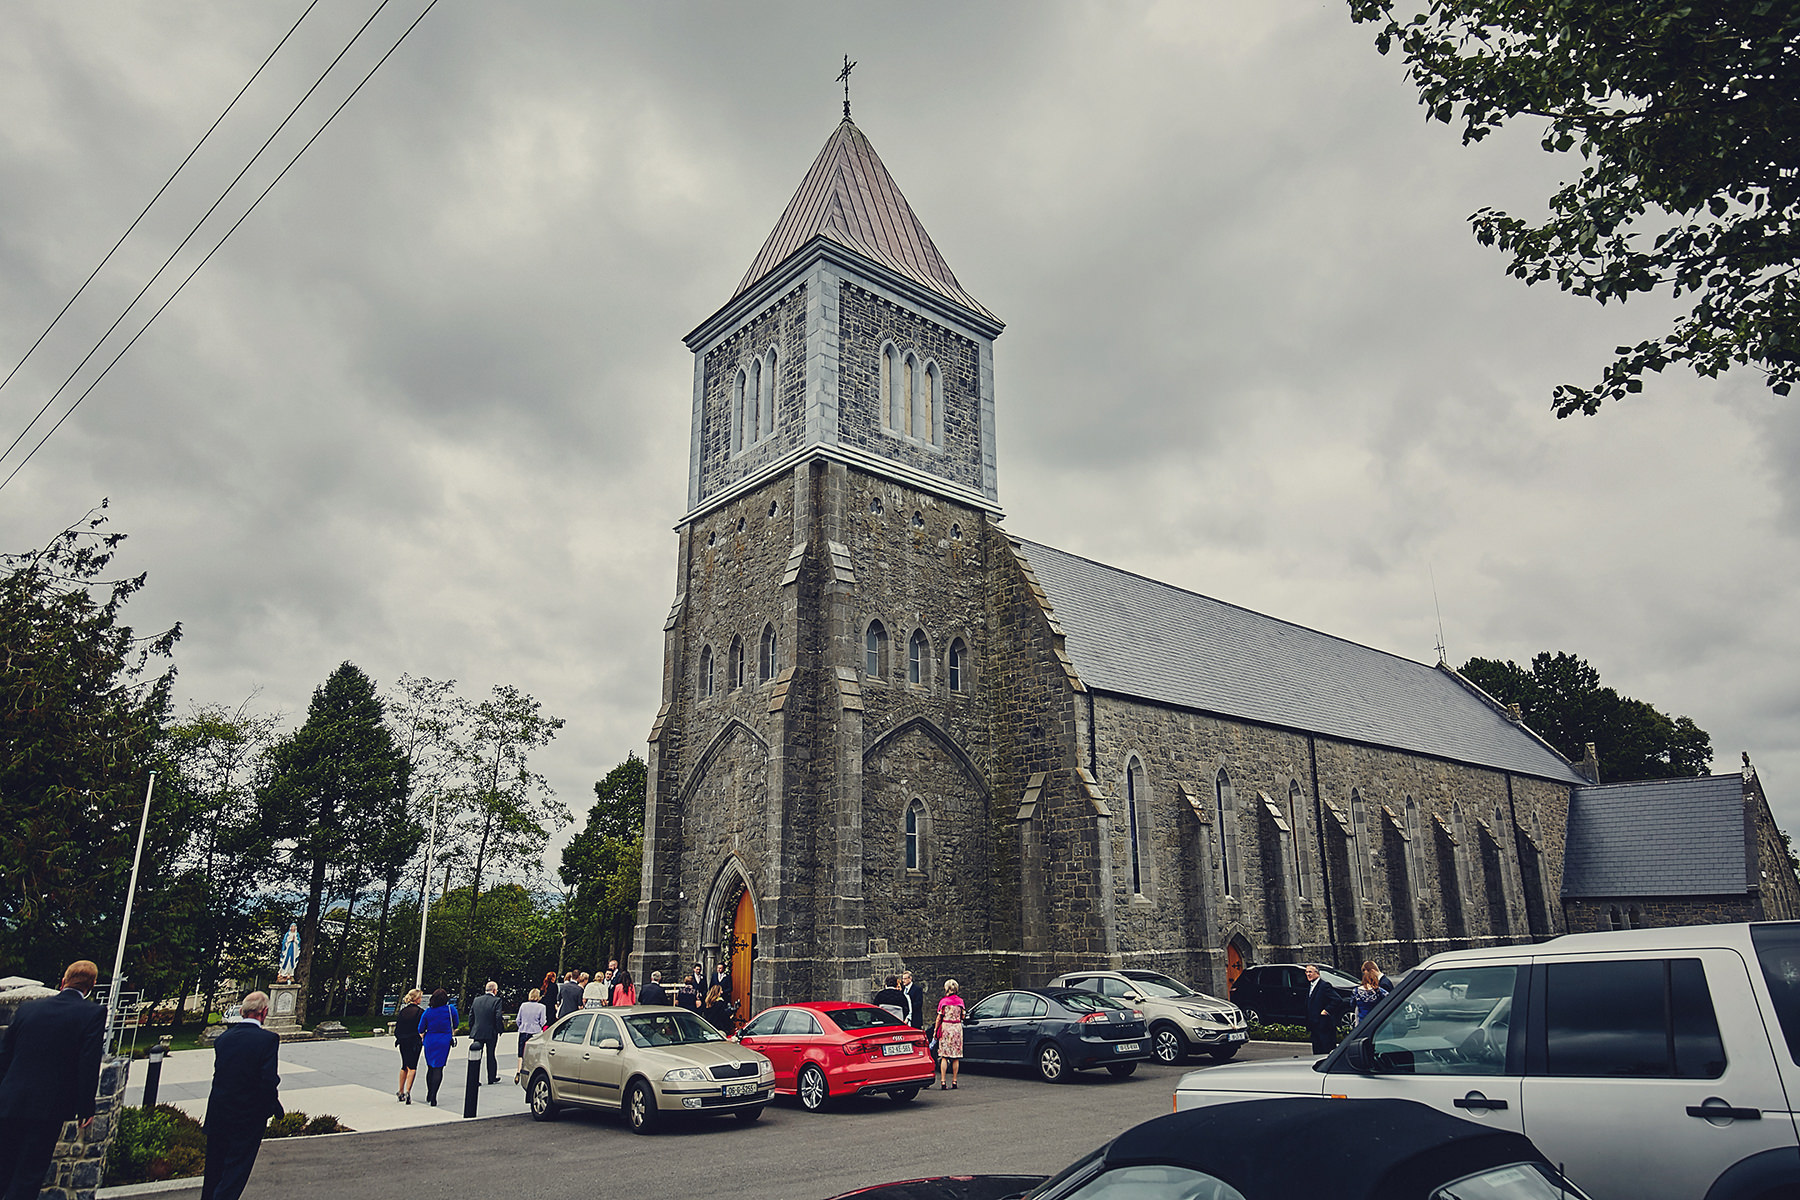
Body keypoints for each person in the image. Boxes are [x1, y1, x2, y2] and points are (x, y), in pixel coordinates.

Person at [0, 959, 106, 1200]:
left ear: (63, 981)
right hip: (48, 1107)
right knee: (29, 1173)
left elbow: (5, 1054)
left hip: (9, 1100)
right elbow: (88, 1062)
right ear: (92, 985)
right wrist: (86, 1107)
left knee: (3, 1166)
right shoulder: (92, 1012)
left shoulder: (28, 1009)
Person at [201, 991, 283, 1200]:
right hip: (246, 1117)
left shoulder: (223, 1039)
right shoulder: (268, 1040)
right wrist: (273, 1107)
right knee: (235, 1171)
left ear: (241, 1011)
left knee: (214, 1170)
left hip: (219, 1113)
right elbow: (267, 1080)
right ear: (264, 1012)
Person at [418, 989, 459, 1106]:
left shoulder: (428, 1012)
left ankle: (429, 1092)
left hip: (430, 1040)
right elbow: (455, 1024)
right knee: (439, 1068)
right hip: (444, 1041)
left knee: (430, 1067)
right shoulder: (451, 1010)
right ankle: (435, 1096)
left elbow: (420, 1028)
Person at [469, 981, 503, 1085]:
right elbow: (498, 1016)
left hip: (478, 1031)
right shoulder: (497, 1001)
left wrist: (472, 1028)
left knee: (476, 1055)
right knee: (491, 1054)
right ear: (494, 990)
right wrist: (499, 1029)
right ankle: (491, 1077)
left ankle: (475, 1077)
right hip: (491, 1031)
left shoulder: (476, 1000)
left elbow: (471, 1016)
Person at [1304, 965, 1344, 1055]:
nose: (1308, 974)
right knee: (1317, 1050)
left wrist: (1326, 1010)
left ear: (1317, 973)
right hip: (1314, 1025)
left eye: (1310, 972)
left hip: (1324, 1025)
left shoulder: (1324, 985)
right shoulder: (1310, 986)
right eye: (1306, 972)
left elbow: (1337, 999)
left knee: (1326, 1050)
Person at [933, 980, 965, 1089]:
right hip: (956, 1028)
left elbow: (939, 1017)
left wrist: (935, 1030)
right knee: (955, 1057)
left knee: (944, 1056)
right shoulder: (960, 1002)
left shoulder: (943, 1002)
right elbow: (963, 1016)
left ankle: (943, 1081)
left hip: (946, 1027)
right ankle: (954, 1081)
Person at [393, 988, 424, 1103]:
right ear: (416, 999)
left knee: (404, 1065)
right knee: (412, 1067)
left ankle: (400, 1090)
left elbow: (398, 1028)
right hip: (414, 1041)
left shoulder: (403, 1012)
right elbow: (422, 1027)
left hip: (403, 1041)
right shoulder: (420, 1012)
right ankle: (408, 1091)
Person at [515, 989, 548, 1084]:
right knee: (533, 1053)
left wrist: (522, 1025)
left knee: (521, 1052)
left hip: (523, 1030)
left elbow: (518, 1019)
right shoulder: (542, 1007)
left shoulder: (523, 1005)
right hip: (535, 1032)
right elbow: (543, 1021)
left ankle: (518, 1071)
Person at [1352, 962, 1390, 1027]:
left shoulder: (1356, 991)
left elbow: (1354, 1006)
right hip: (1377, 1019)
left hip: (1363, 1021)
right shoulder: (1380, 991)